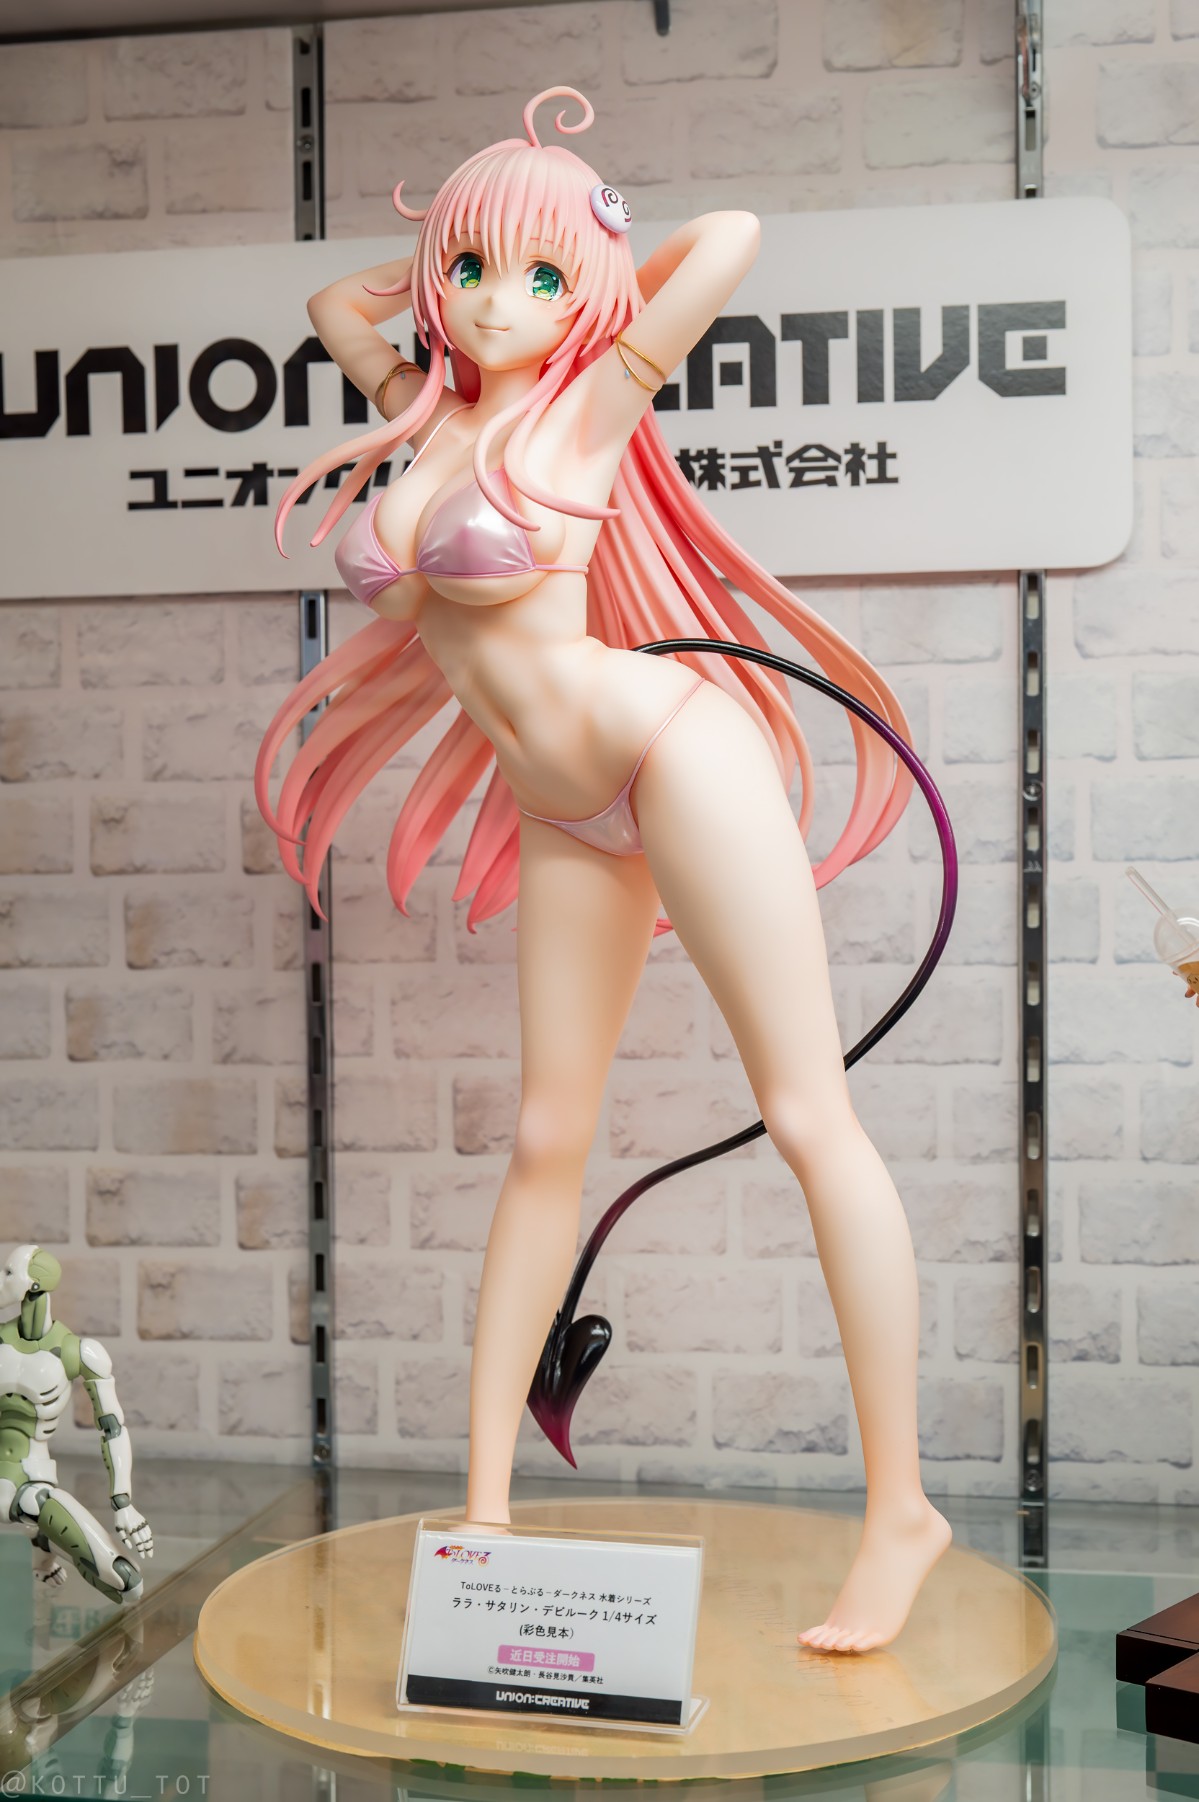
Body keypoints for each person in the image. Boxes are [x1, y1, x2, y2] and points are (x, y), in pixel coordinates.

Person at [257, 87, 951, 1655]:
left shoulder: (592, 403)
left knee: (806, 1112)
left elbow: (733, 238)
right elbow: (330, 306)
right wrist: (452, 254)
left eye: (536, 279)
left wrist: (584, 245)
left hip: (671, 755)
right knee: (543, 1137)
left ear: (586, 291)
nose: (497, 305)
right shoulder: (422, 412)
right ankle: (487, 1511)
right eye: (470, 273)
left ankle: (902, 1507)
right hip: (559, 806)